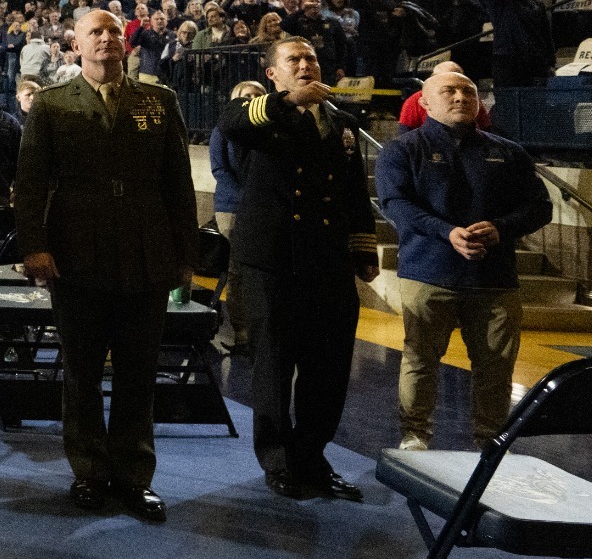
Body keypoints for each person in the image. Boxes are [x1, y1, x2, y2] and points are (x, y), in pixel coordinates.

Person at [16, 9, 196, 523]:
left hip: (145, 253)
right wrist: (34, 246)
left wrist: (186, 256)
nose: (107, 39)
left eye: (114, 31)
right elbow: (29, 184)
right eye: (95, 32)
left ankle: (134, 477)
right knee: (83, 372)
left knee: (140, 373)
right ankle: (89, 472)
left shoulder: (159, 102)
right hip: (77, 254)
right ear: (75, 44)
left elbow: (178, 184)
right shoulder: (51, 106)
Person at [217, 37, 377, 501]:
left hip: (327, 259)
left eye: (311, 58)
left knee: (328, 368)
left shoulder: (342, 122)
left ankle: (313, 457)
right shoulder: (263, 114)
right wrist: (288, 101)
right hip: (273, 260)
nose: (306, 65)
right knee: (274, 364)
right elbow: (230, 124)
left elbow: (352, 194)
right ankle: (278, 460)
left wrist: (363, 250)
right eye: (294, 60)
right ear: (274, 74)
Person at [375, 70, 552, 451]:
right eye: (449, 91)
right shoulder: (403, 150)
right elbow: (395, 204)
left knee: (496, 368)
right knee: (421, 360)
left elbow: (540, 206)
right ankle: (414, 435)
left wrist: (502, 228)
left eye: (468, 91)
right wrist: (446, 232)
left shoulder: (508, 152)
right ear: (424, 102)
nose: (459, 97)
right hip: (428, 274)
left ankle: (491, 440)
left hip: (495, 278)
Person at [208, 80, 270, 355]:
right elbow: (220, 169)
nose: (253, 99)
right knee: (238, 272)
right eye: (247, 95)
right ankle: (242, 333)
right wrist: (248, 197)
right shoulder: (224, 128)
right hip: (232, 207)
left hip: (264, 209)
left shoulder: (270, 130)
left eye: (258, 95)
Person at [483, 0, 554, 91]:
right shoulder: (499, 1)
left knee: (536, 103)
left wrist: (550, 63)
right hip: (508, 62)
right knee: (508, 104)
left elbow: (546, 35)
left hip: (535, 62)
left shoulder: (537, 5)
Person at [396, 61, 489, 132]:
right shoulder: (415, 100)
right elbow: (406, 130)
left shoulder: (471, 98)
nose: (460, 98)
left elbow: (485, 127)